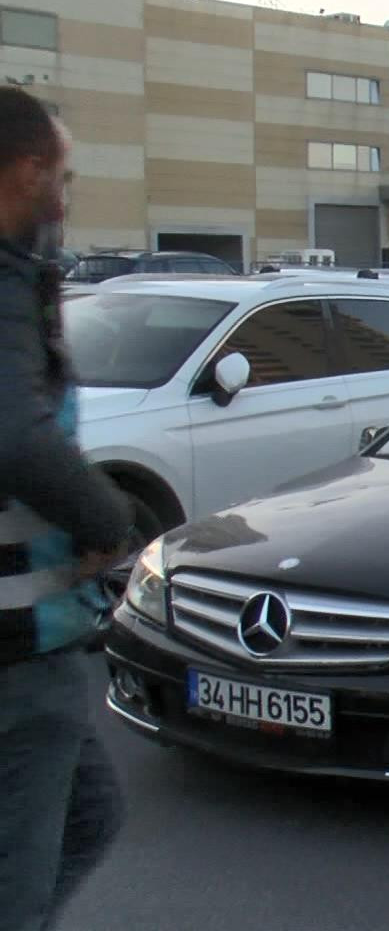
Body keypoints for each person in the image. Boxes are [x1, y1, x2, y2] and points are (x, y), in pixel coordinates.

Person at [0, 87, 133, 931]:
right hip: (21, 645)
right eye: (63, 174)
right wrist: (107, 522)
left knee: (91, 815)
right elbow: (16, 434)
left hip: (35, 637)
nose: (65, 195)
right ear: (27, 171)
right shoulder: (6, 280)